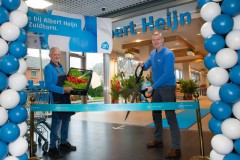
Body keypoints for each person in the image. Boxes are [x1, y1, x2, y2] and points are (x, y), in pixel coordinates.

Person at [139, 32, 181, 159]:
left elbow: (168, 74)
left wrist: (153, 86)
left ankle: (176, 147)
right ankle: (158, 140)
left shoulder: (168, 54)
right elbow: (146, 66)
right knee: (155, 113)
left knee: (170, 116)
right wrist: (142, 64)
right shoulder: (152, 53)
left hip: (167, 87)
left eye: (158, 39)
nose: (156, 42)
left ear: (163, 40)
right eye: (153, 40)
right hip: (156, 87)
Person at [44, 47, 76, 158]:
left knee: (67, 119)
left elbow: (64, 82)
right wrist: (63, 89)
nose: (57, 56)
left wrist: (71, 87)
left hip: (65, 97)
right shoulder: (48, 68)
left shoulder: (61, 67)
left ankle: (63, 142)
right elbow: (48, 85)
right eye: (54, 55)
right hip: (56, 98)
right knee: (56, 123)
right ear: (50, 55)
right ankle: (52, 147)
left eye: (58, 54)